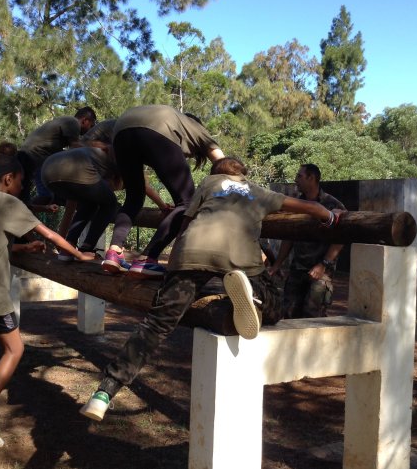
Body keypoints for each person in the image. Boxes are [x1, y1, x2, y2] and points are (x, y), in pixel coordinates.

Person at [80, 157, 344, 422]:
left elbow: (185, 222)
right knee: (275, 303)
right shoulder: (258, 191)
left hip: (192, 252)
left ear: (216, 172)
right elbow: (311, 207)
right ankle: (253, 297)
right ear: (243, 174)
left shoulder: (208, 184)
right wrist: (331, 217)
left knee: (156, 324)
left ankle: (105, 391)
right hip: (240, 256)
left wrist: (174, 263)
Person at [0, 143, 94, 453]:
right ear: (9, 178)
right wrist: (80, 255)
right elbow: (50, 235)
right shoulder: (9, 202)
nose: (23, 188)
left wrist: (23, 247)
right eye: (22, 182)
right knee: (15, 349)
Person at [101, 105, 225, 278]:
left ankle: (114, 253)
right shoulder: (197, 128)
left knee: (134, 198)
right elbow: (225, 165)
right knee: (188, 203)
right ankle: (147, 258)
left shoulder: (177, 122)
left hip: (121, 131)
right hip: (157, 127)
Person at [41, 144, 167, 259]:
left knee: (89, 203)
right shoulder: (125, 159)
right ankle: (87, 248)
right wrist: (162, 206)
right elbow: (144, 186)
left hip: (47, 173)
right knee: (110, 204)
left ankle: (68, 248)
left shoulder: (102, 157)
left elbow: (98, 191)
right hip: (75, 170)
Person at [269, 163, 345, 318]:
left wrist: (323, 264)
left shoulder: (332, 205)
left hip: (321, 272)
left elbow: (340, 239)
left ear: (311, 178)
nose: (296, 180)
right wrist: (277, 264)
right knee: (288, 314)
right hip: (297, 269)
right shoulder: (296, 204)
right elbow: (289, 237)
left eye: (299, 176)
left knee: (313, 316)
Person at [17, 106, 97, 206]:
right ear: (85, 121)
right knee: (46, 196)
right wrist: (98, 149)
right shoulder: (73, 122)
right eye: (91, 126)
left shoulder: (64, 124)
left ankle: (23, 208)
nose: (90, 130)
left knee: (25, 196)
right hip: (36, 156)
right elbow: (75, 148)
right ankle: (23, 210)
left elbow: (64, 153)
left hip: (27, 155)